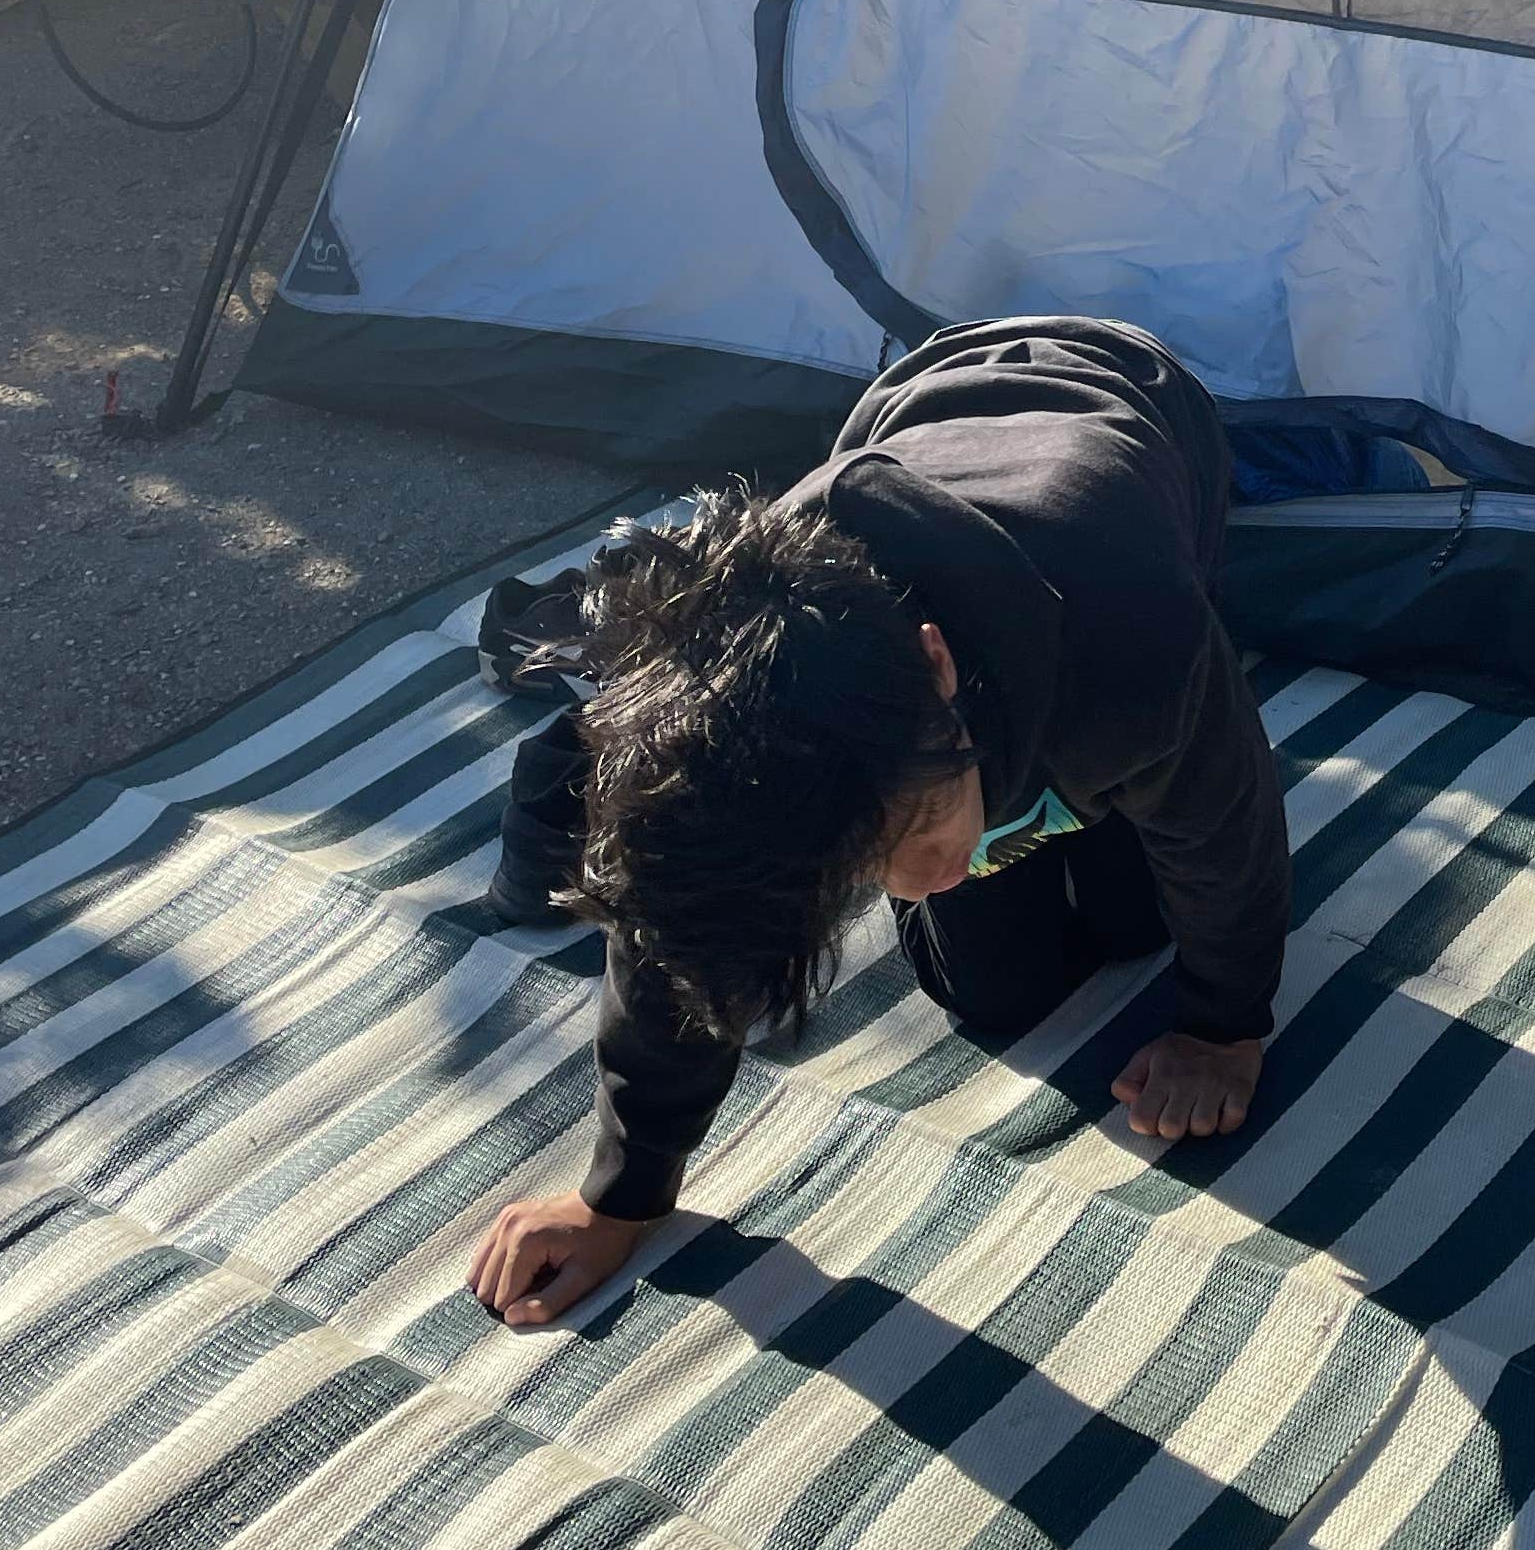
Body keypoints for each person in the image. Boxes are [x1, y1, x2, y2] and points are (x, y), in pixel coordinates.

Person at [465, 316, 1290, 1328]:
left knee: (1142, 914)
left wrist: (1223, 1029)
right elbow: (686, 931)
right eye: (866, 864)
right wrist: (622, 1194)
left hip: (1139, 408)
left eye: (918, 824)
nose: (918, 879)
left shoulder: (1138, 642)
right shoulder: (763, 722)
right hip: (906, 414)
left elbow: (1230, 827)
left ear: (936, 669)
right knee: (994, 990)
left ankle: (1087, 797)